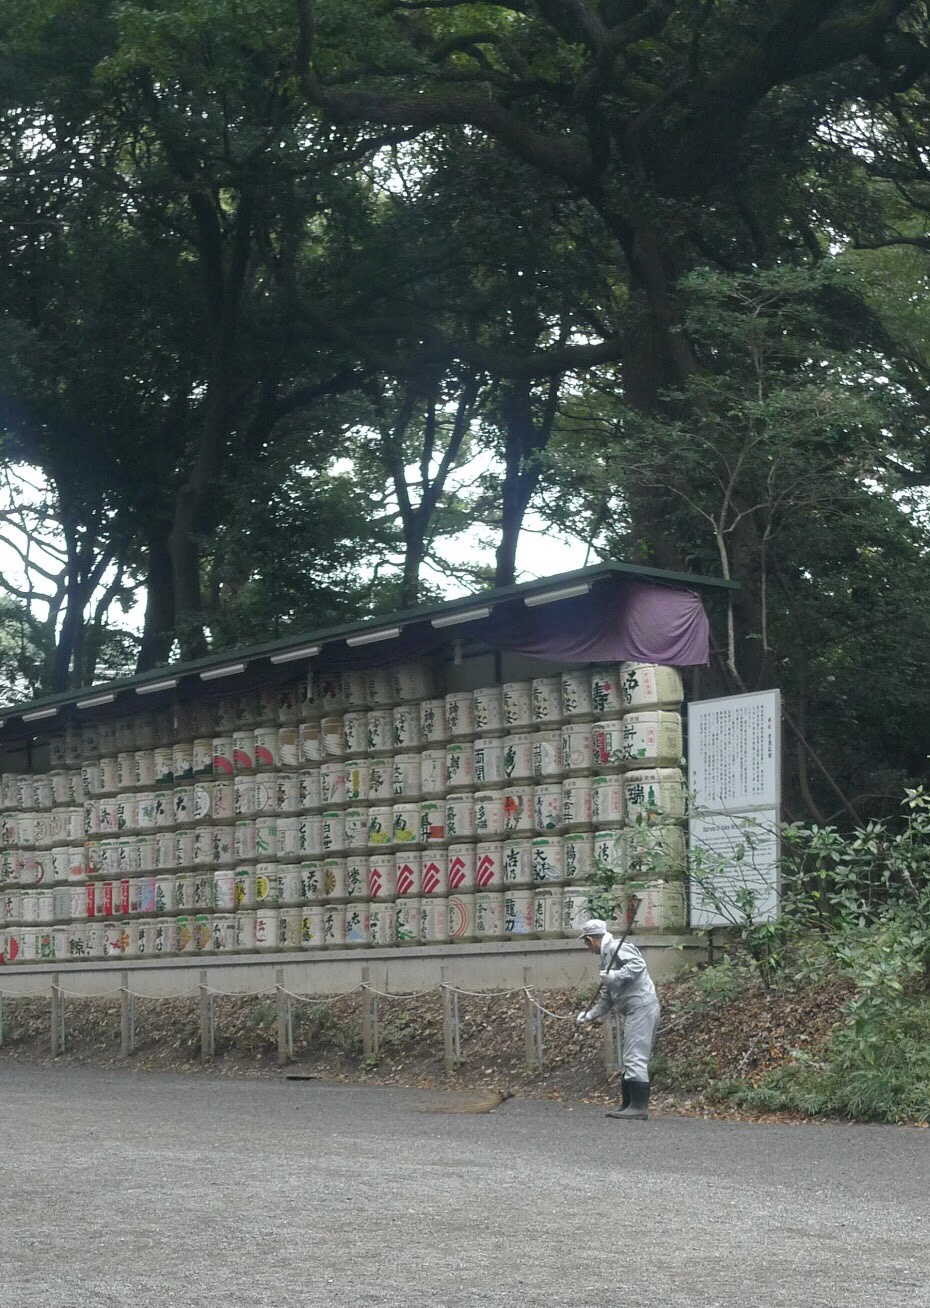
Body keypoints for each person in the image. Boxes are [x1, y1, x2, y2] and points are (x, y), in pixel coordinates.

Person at [576, 917, 660, 1121]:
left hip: (641, 1006)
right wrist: (590, 1014)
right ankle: (628, 1103)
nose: (588, 948)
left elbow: (638, 965)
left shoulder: (616, 948)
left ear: (590, 939)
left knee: (634, 1055)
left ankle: (638, 1107)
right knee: (629, 1054)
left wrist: (616, 975)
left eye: (586, 943)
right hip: (634, 1009)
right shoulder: (606, 956)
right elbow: (607, 996)